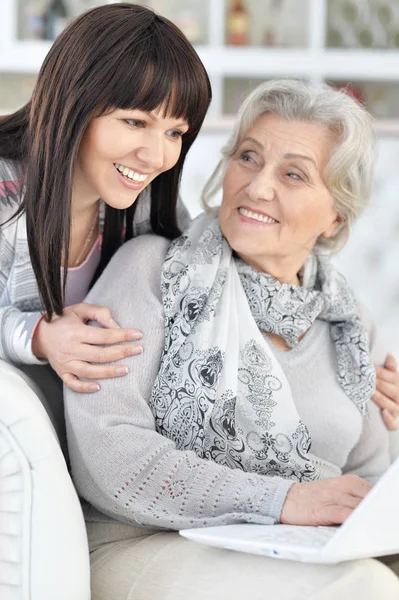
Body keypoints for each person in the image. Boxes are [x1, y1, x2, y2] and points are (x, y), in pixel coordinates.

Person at [65, 79, 399, 599]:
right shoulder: (155, 270)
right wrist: (281, 499)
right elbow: (108, 454)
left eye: (293, 174)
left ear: (337, 212)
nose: (257, 186)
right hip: (142, 543)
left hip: (300, 549)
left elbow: (370, 480)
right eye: (248, 157)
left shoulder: (353, 326)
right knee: (364, 589)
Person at [0, 3, 211, 443]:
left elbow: (213, 278)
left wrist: (351, 365)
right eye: (135, 121)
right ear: (74, 102)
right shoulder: (5, 186)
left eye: (175, 132)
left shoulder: (143, 201)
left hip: (83, 440)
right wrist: (38, 336)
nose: (156, 156)